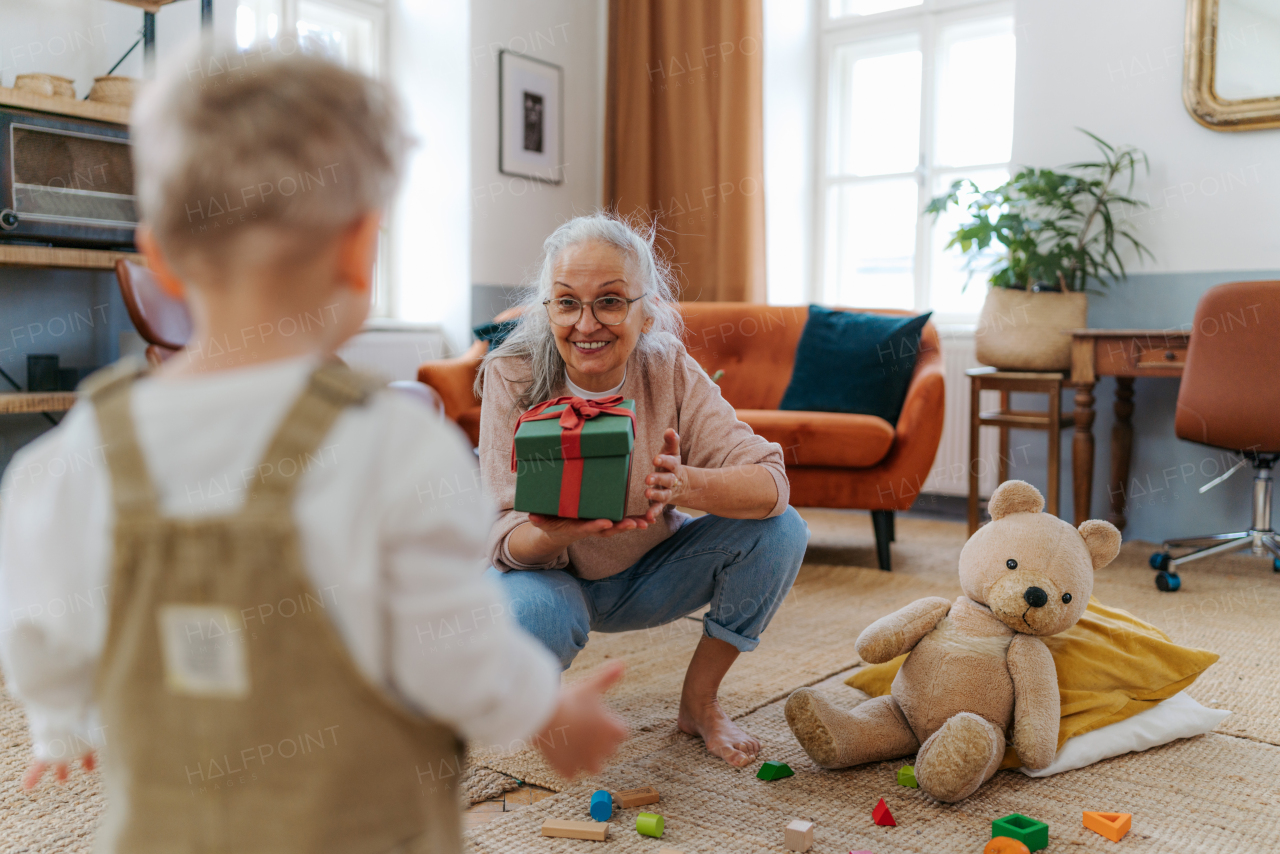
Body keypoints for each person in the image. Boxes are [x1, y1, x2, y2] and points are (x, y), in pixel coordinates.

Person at [0, 42, 624, 853]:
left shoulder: (73, 452)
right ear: (361, 249)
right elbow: (452, 644)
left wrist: (58, 723)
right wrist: (544, 709)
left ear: (158, 260)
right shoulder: (396, 446)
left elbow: (38, 622)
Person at [477, 213, 810, 768]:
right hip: (547, 579)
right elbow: (500, 534)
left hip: (652, 572)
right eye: (566, 302)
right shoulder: (512, 373)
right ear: (547, 309)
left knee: (782, 531)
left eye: (610, 301)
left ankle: (699, 703)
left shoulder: (668, 366)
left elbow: (771, 484)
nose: (586, 324)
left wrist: (688, 483)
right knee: (522, 619)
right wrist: (546, 534)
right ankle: (546, 708)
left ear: (646, 309)